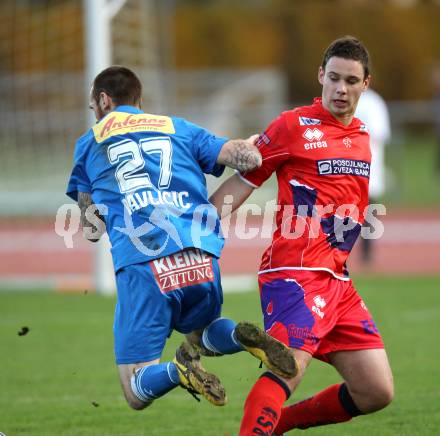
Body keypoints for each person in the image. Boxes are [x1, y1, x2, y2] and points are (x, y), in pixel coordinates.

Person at [66, 66, 297, 412]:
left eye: (93, 107)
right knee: (202, 334)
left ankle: (178, 372)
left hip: (144, 259)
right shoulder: (178, 127)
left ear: (103, 100)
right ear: (138, 99)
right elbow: (245, 157)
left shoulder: (90, 142)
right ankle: (237, 336)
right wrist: (257, 148)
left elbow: (92, 229)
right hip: (200, 253)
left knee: (134, 388)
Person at [210, 36, 394, 434]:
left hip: (337, 281)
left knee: (375, 390)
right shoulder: (293, 126)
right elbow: (243, 181)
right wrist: (195, 228)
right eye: (333, 79)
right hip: (295, 272)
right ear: (320, 76)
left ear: (366, 84)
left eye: (350, 81)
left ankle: (278, 424)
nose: (340, 89)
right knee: (287, 367)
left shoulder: (362, 135)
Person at [355, 87, 391, 263]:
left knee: (367, 214)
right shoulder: (340, 99)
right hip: (342, 169)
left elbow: (378, 133)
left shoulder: (373, 102)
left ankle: (366, 256)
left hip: (369, 168)